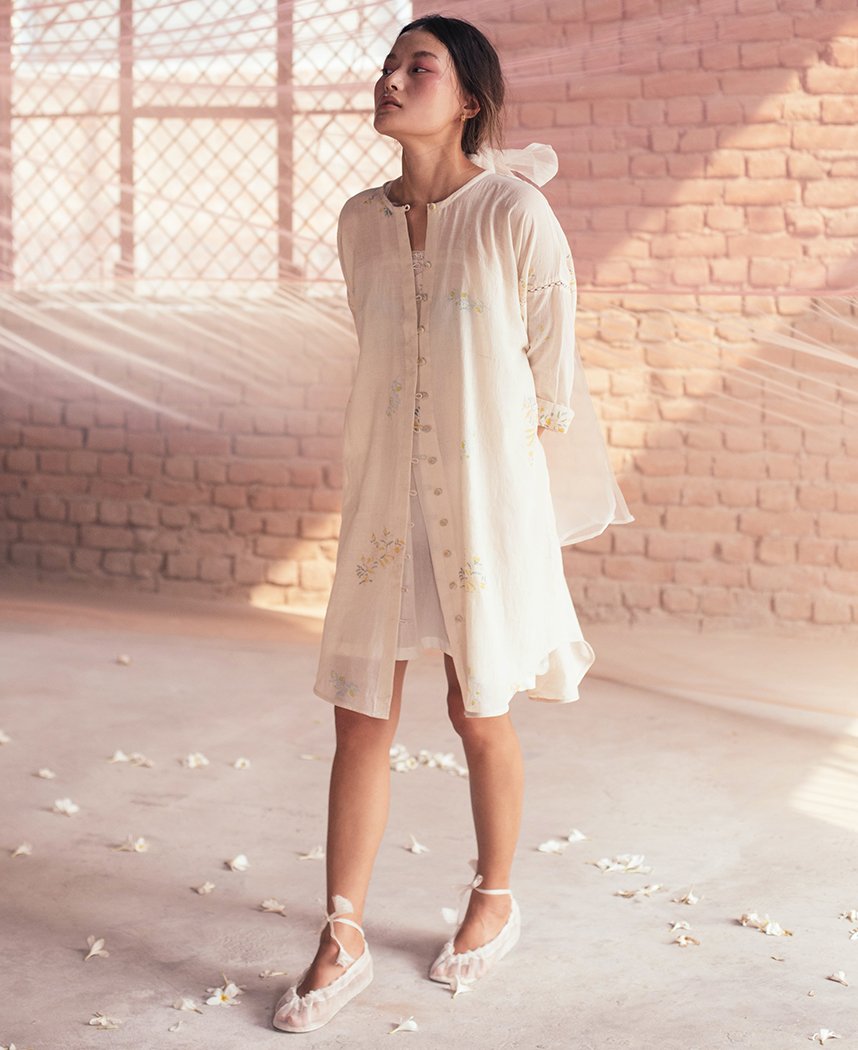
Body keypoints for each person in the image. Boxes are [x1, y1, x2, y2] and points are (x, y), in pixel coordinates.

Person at [272, 12, 632, 1034]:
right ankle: (341, 934)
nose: (390, 79)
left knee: (479, 708)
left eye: (416, 66)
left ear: (469, 97)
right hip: (385, 498)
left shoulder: (516, 214)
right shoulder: (359, 222)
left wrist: (505, 499)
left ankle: (495, 896)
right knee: (359, 711)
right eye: (387, 64)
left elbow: (553, 381)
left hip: (485, 504)